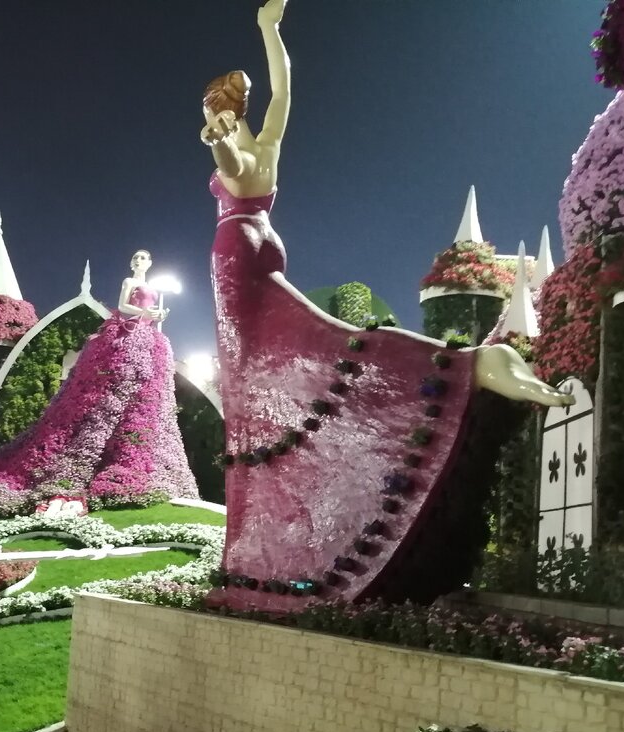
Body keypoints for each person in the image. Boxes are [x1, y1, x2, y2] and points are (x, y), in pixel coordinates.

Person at [202, 0, 572, 613]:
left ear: (219, 110)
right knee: (321, 352)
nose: (214, 117)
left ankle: (470, 366)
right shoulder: (267, 141)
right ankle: (482, 365)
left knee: (283, 381)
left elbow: (233, 167)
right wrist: (271, 32)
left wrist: (218, 147)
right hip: (260, 251)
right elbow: (283, 90)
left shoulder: (243, 155)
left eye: (213, 110)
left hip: (240, 268)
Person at [0, 250, 198, 502]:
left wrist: (157, 316)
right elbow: (124, 306)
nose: (139, 262)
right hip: (126, 335)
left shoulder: (151, 287)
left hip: (146, 339)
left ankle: (135, 465)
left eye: (143, 259)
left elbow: (148, 316)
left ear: (149, 263)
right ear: (132, 262)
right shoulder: (130, 282)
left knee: (147, 399)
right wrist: (145, 311)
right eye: (136, 258)